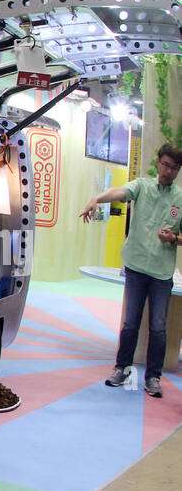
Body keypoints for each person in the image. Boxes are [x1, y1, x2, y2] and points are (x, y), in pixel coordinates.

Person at [80, 143, 182, 399]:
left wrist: (174, 239)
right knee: (129, 323)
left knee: (158, 327)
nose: (169, 171)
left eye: (175, 168)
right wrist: (96, 199)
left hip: (161, 273)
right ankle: (122, 368)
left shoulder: (180, 199)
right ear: (158, 162)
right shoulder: (142, 186)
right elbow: (119, 192)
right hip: (136, 267)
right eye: (166, 165)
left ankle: (153, 377)